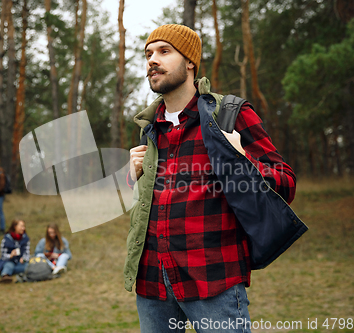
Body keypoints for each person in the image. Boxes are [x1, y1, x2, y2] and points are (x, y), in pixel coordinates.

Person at [125, 24, 297, 333]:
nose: (152, 60)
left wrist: (241, 158)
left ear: (190, 62)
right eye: (148, 54)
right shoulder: (150, 127)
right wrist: (131, 177)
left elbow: (285, 182)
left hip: (212, 279)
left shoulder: (229, 114)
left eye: (164, 52)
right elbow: (150, 200)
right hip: (152, 281)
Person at [0, 219, 30, 283]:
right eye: (21, 226)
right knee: (9, 265)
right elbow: (3, 255)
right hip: (9, 261)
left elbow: (27, 253)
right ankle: (5, 276)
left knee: (28, 266)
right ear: (15, 226)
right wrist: (10, 255)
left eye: (24, 226)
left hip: (20, 263)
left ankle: (7, 271)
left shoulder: (25, 239)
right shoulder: (6, 239)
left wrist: (24, 259)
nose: (23, 228)